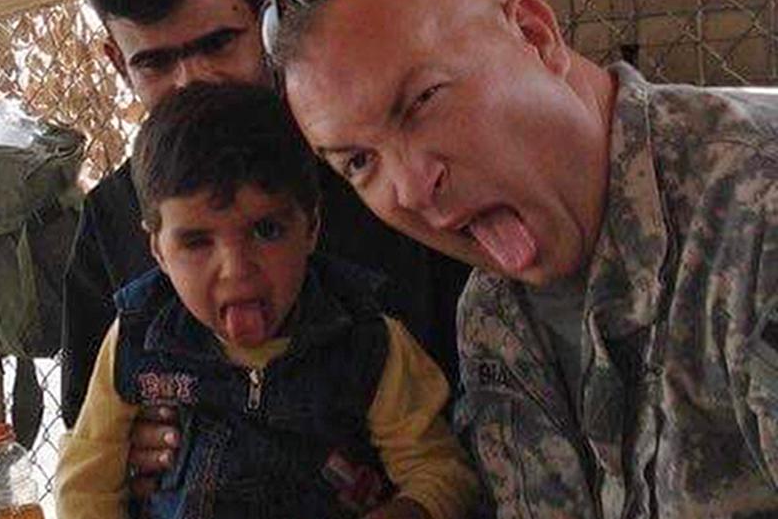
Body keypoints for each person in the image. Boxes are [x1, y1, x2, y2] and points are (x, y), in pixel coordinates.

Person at [262, 0, 778, 517]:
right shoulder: (492, 315)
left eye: (423, 100)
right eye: (359, 162)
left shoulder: (755, 213)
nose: (409, 189)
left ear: (536, 36)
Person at [62, 0, 469, 446]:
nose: (192, 79)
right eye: (155, 62)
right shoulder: (112, 217)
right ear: (117, 64)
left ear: (266, 23)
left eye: (218, 44)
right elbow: (86, 426)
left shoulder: (377, 166)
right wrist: (129, 448)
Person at [56, 82, 480, 519]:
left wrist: (409, 509)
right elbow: (87, 484)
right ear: (159, 251)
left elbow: (441, 470)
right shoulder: (138, 337)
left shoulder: (367, 338)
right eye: (197, 242)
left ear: (311, 227)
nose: (236, 268)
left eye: (267, 231)